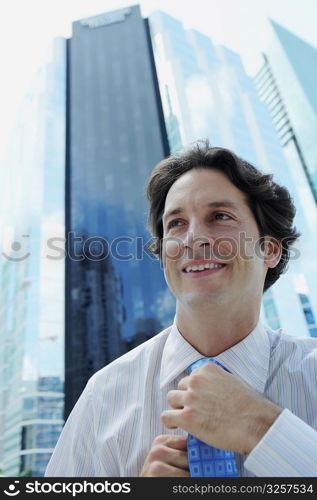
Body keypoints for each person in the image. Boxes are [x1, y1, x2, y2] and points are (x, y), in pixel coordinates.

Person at [45, 143, 317, 477]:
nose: (194, 238)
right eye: (176, 223)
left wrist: (265, 431)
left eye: (220, 217)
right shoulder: (103, 397)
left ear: (271, 249)